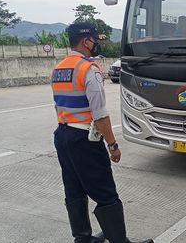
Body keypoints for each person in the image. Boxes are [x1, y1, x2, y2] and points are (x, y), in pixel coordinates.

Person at [51, 22, 153, 243]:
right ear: (86, 41)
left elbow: (58, 106)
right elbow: (100, 114)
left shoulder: (59, 68)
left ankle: (83, 238)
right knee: (106, 192)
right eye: (95, 40)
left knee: (74, 188)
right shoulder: (88, 69)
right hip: (84, 141)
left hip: (63, 135)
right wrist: (112, 145)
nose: (96, 44)